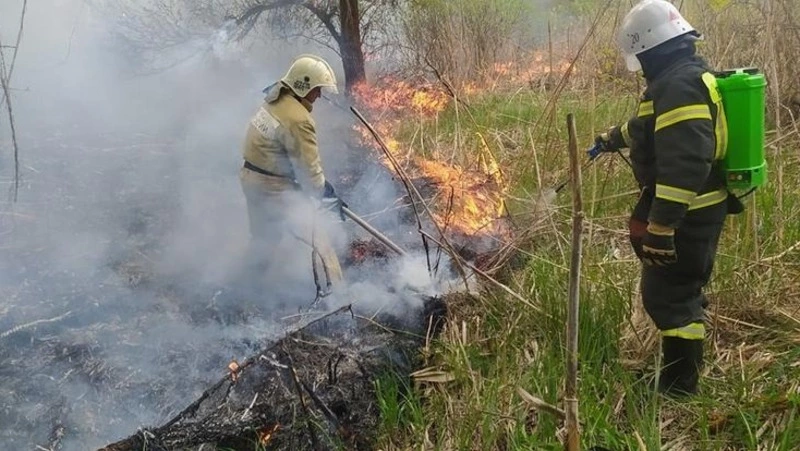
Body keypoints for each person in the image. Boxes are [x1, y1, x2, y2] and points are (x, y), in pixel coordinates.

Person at [595, 0, 742, 396]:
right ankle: (683, 355)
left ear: (651, 49)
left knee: (668, 296)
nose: (641, 67)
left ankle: (679, 387)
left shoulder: (679, 87)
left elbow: (686, 163)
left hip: (690, 213)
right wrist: (611, 138)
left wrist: (662, 226)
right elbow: (648, 125)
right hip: (692, 209)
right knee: (678, 290)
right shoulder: (679, 79)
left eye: (641, 58)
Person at [239, 54, 347, 291]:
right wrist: (327, 195)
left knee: (264, 239)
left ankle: (243, 289)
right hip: (273, 188)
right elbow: (309, 170)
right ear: (303, 86)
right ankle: (339, 298)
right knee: (321, 241)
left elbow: (276, 148)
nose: (319, 95)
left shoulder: (273, 100)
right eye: (317, 89)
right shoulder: (299, 119)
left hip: (250, 177)